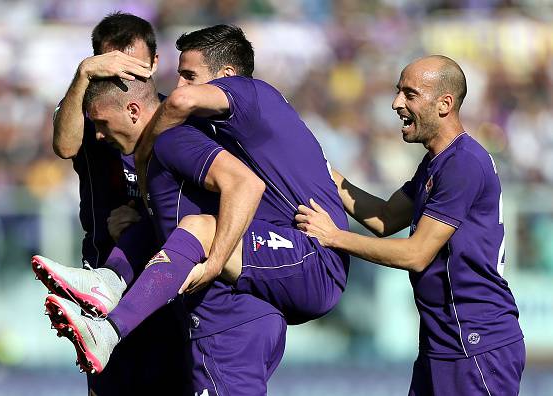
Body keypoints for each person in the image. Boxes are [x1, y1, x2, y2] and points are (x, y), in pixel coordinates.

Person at [295, 55, 525, 395]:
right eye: (397, 92)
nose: (396, 103)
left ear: (444, 104)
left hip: (475, 342)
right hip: (442, 341)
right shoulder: (437, 161)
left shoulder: (463, 163)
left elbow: (417, 254)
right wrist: (322, 170)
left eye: (409, 94)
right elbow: (386, 218)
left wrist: (333, 237)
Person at [46, 75, 287, 395]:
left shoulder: (174, 140)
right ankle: (106, 287)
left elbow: (246, 186)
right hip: (207, 320)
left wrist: (214, 262)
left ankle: (107, 311)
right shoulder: (162, 153)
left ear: (133, 109)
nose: (99, 135)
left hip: (229, 322)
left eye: (189, 74)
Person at [41, 12, 191, 396]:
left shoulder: (179, 123)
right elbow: (64, 146)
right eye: (110, 67)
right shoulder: (92, 120)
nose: (123, 77)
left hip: (168, 286)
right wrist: (83, 76)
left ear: (155, 64)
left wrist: (144, 215)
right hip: (104, 277)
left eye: (135, 67)